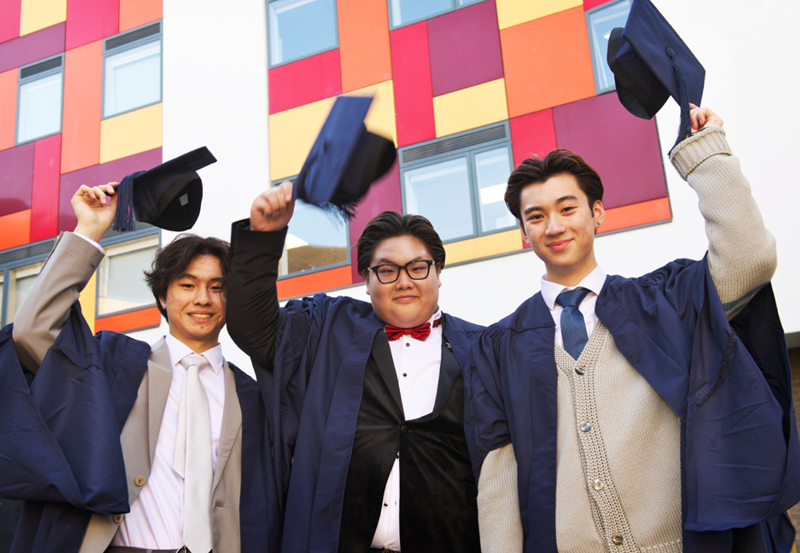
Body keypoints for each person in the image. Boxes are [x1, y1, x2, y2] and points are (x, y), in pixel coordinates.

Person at [465, 107, 800, 553]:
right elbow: (498, 477)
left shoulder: (666, 302)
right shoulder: (497, 349)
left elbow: (750, 259)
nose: (555, 226)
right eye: (537, 216)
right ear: (524, 233)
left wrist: (707, 156)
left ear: (597, 212)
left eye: (568, 208)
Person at [5, 183, 280, 553]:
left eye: (218, 287)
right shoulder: (114, 365)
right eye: (187, 284)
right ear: (163, 296)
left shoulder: (254, 396)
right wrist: (90, 229)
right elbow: (32, 331)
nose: (203, 298)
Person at [226, 183, 483, 553]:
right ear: (366, 280)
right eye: (387, 270)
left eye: (418, 267)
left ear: (438, 272)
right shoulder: (327, 328)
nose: (405, 281)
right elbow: (254, 328)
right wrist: (262, 241)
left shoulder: (482, 349)